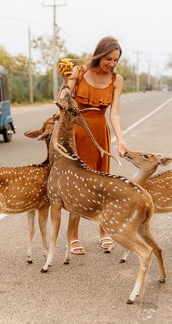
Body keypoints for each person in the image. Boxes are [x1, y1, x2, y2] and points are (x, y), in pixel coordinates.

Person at [58, 36, 127, 255]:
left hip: (100, 134)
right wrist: (66, 80)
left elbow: (114, 113)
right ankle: (73, 236)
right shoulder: (78, 72)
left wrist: (121, 139)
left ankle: (104, 232)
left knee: (102, 185)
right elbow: (64, 101)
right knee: (78, 186)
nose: (112, 64)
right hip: (76, 133)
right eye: (108, 59)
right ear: (99, 54)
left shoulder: (117, 80)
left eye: (115, 60)